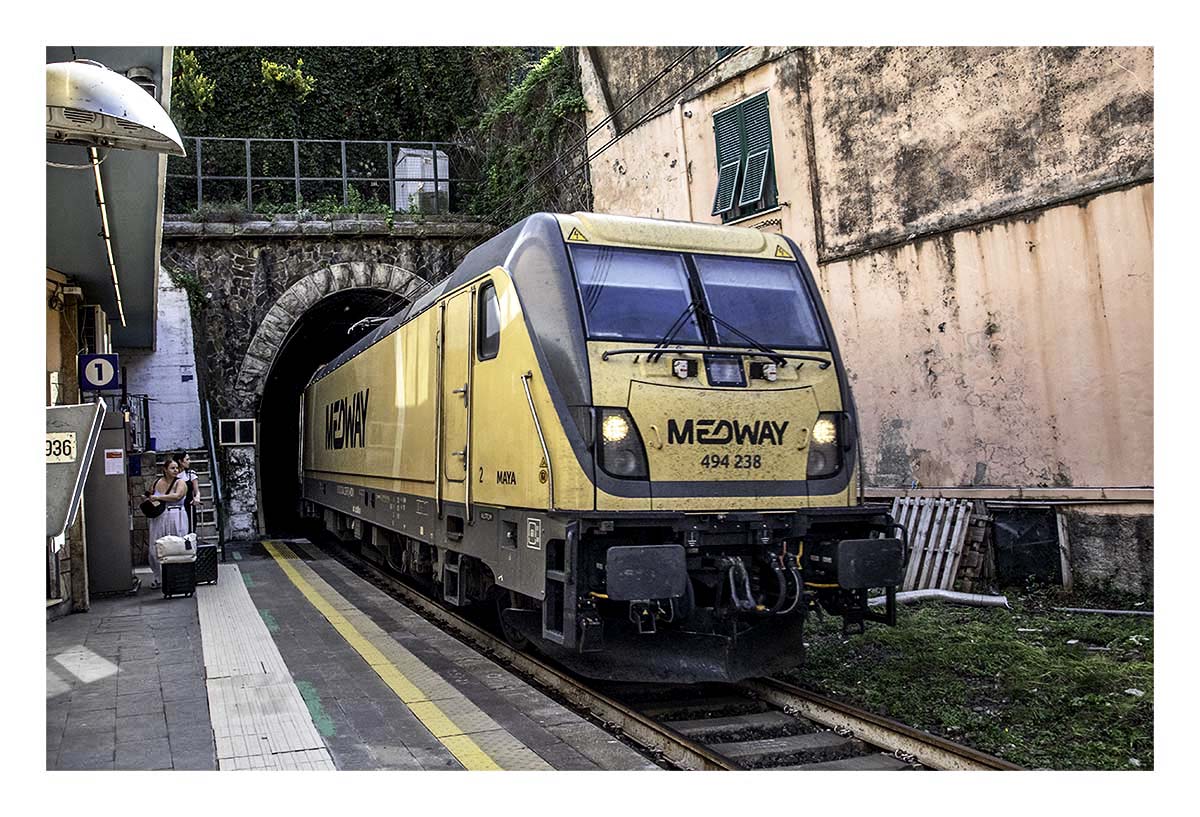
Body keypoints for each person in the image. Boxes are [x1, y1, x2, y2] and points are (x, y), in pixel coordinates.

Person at [145, 456, 188, 589]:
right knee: (156, 546)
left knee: (177, 545)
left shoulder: (180, 482)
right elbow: (150, 494)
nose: (175, 470)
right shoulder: (157, 482)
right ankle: (158, 576)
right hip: (159, 516)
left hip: (176, 515)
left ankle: (178, 576)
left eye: (176, 468)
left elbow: (177, 496)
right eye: (172, 468)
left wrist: (159, 497)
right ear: (165, 469)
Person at [176, 451, 201, 534]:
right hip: (177, 505)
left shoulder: (190, 474)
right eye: (187, 459)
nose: (189, 461)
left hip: (189, 505)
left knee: (190, 529)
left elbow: (196, 491)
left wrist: (197, 497)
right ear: (180, 461)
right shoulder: (173, 475)